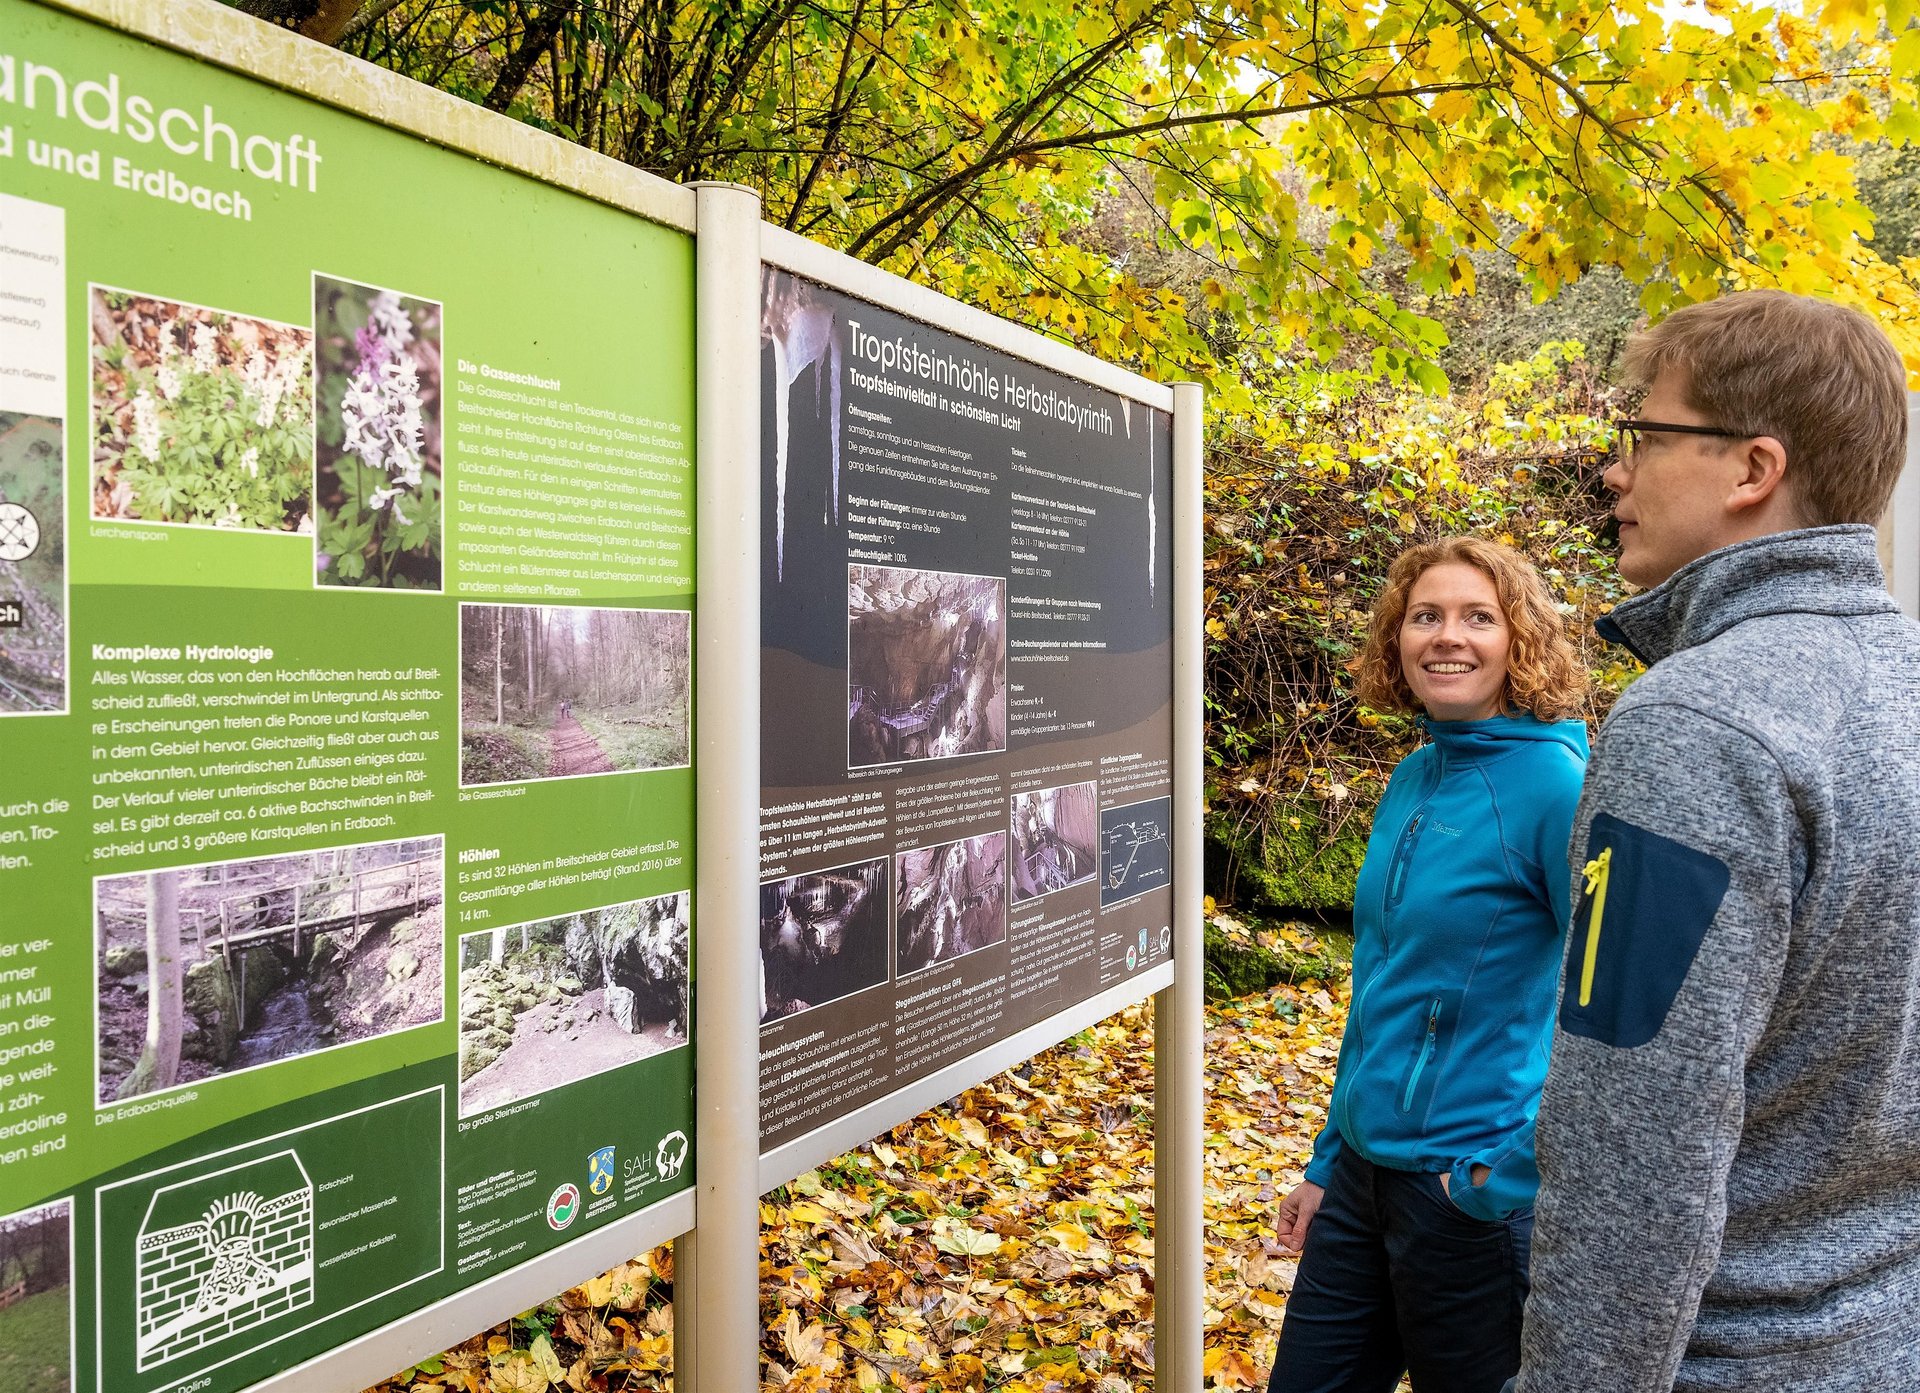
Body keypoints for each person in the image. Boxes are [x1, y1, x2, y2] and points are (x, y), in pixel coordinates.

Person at [1511, 290, 1920, 1391]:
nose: (1615, 471)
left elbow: (1634, 1148)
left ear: (1752, 469)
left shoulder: (1696, 725)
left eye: (1644, 435)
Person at [1268, 536, 1590, 1393]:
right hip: (1362, 1183)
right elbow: (1380, 986)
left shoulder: (1559, 786)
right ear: (1397, 640)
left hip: (1466, 1195)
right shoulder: (1415, 773)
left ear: (1518, 639)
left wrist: (1501, 1173)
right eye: (1426, 616)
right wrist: (1328, 1161)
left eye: (1478, 617)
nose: (1448, 636)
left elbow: (1606, 1004)